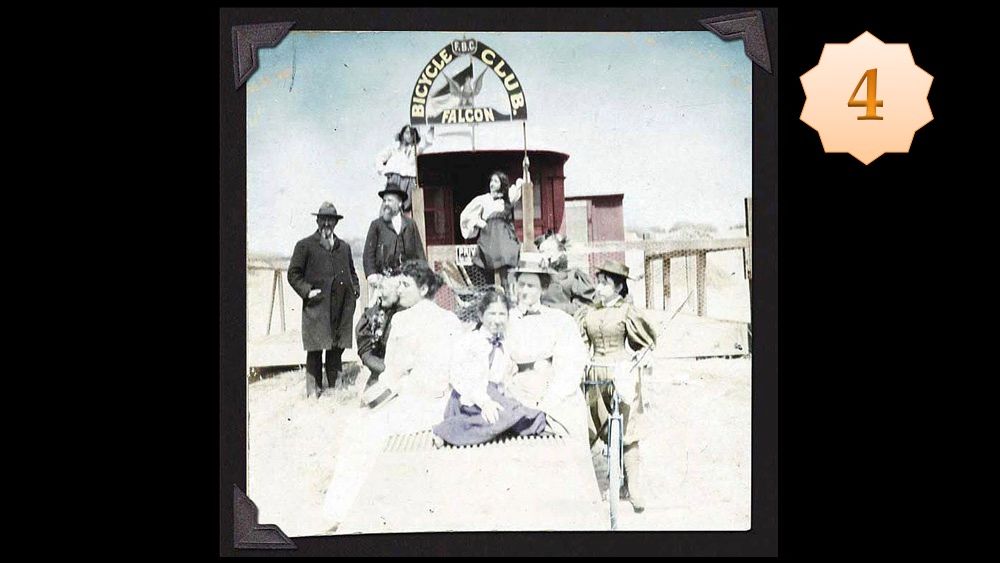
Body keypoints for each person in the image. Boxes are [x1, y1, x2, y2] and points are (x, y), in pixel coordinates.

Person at [323, 259, 462, 529]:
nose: (400, 290)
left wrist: (374, 397)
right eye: (399, 284)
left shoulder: (403, 319)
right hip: (440, 401)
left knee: (360, 430)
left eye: (406, 285)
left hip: (417, 402)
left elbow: (393, 373)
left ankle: (339, 513)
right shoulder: (450, 318)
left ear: (423, 289)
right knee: (365, 426)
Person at [575, 260, 657, 513]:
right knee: (594, 428)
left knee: (628, 430)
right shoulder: (588, 312)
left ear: (619, 286)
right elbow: (578, 343)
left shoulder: (627, 312)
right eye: (598, 282)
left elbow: (645, 343)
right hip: (595, 375)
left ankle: (634, 488)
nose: (598, 288)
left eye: (604, 284)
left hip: (621, 373)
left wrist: (641, 357)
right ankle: (597, 485)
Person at [432, 290, 547, 447]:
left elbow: (506, 376)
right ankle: (446, 431)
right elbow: (461, 379)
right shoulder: (470, 341)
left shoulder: (505, 342)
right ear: (481, 316)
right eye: (492, 314)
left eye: (502, 314)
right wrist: (484, 402)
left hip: (494, 394)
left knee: (530, 416)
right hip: (469, 396)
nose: (497, 320)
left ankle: (493, 424)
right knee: (504, 416)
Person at [503, 256, 590, 445]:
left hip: (553, 396)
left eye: (531, 286)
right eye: (521, 284)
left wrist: (548, 401)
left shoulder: (560, 321)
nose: (524, 291)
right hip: (516, 395)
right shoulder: (505, 321)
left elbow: (570, 367)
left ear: (543, 288)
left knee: (565, 430)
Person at [287, 202, 360, 398]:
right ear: (318, 220)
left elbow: (352, 271)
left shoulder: (343, 247)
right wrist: (307, 291)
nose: (327, 223)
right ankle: (313, 392)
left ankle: (336, 388)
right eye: (324, 219)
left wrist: (355, 289)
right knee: (315, 348)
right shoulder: (305, 245)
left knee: (336, 348)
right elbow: (293, 274)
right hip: (317, 306)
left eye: (331, 220)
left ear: (336, 223)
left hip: (340, 306)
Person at [459, 161, 530, 290]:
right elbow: (467, 214)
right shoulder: (484, 199)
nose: (492, 184)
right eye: (491, 181)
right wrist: (480, 223)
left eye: (496, 181)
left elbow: (523, 185)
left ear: (502, 183)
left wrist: (525, 168)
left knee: (508, 264)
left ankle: (509, 293)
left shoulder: (508, 197)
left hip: (505, 239)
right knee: (489, 271)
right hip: (490, 239)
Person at [362, 186, 426, 285]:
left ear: (399, 203)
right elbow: (368, 254)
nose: (386, 204)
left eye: (390, 200)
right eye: (384, 201)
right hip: (384, 280)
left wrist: (423, 276)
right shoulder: (376, 225)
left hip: (407, 280)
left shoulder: (410, 224)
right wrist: (371, 275)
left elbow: (419, 252)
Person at [354, 272, 402, 387]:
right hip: (383, 374)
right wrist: (388, 371)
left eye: (383, 289)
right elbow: (366, 354)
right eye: (378, 289)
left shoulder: (409, 313)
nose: (379, 294)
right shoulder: (372, 315)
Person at [535, 230, 596, 315]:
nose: (546, 255)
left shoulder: (573, 276)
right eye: (542, 252)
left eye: (549, 250)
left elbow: (584, 308)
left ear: (561, 253)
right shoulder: (535, 277)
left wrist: (550, 309)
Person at [375, 124, 434, 211]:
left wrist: (432, 128)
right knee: (391, 203)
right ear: (402, 134)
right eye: (407, 132)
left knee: (407, 205)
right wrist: (384, 171)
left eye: (412, 133)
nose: (409, 135)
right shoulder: (394, 148)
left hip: (410, 180)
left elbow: (426, 143)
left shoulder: (415, 149)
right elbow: (379, 158)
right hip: (395, 179)